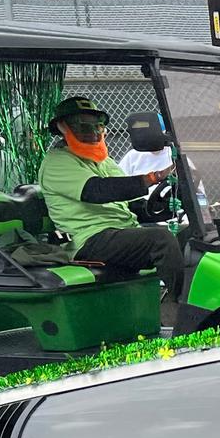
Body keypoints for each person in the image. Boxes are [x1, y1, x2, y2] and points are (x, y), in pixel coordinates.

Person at [34, 96, 182, 295]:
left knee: (189, 236)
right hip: (88, 240)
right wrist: (153, 177)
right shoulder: (58, 162)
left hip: (118, 232)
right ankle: (178, 307)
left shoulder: (103, 161)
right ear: (63, 128)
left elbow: (129, 203)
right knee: (160, 240)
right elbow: (98, 191)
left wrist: (162, 208)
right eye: (85, 127)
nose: (94, 133)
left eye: (99, 126)